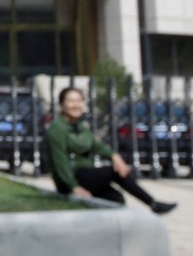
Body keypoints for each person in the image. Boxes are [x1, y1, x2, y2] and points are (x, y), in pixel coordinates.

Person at [46, 87, 176, 214]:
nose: (76, 105)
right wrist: (73, 187)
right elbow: (60, 163)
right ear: (62, 104)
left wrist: (114, 156)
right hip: (72, 177)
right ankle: (153, 204)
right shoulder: (57, 129)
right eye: (71, 101)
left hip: (86, 174)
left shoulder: (79, 127)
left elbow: (97, 146)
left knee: (115, 197)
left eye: (79, 101)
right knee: (115, 172)